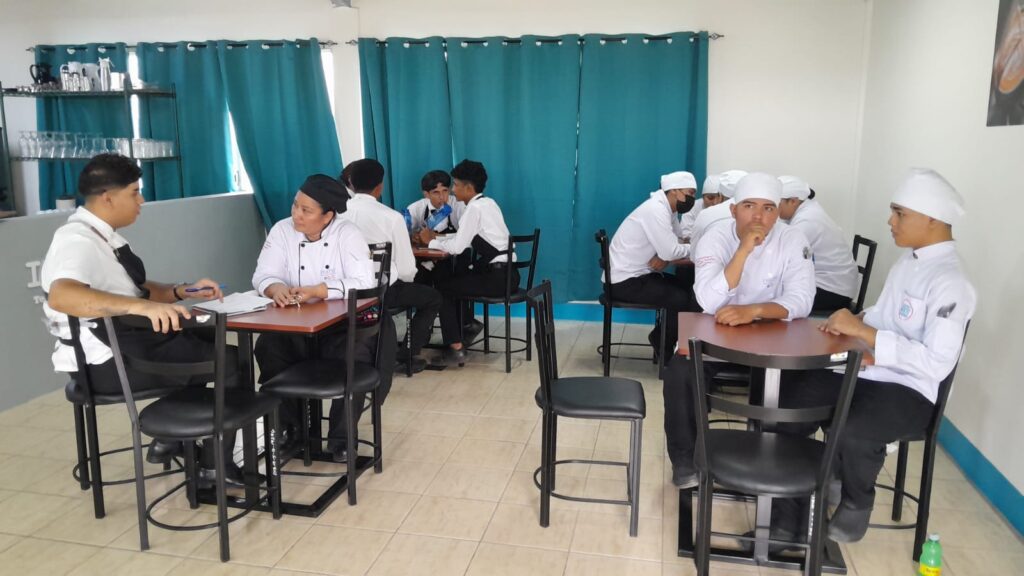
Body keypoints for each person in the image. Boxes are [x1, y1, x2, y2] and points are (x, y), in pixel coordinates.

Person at [775, 168, 975, 544]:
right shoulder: (908, 262)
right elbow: (883, 316)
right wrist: (855, 320)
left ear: (932, 219)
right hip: (870, 371)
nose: (890, 221)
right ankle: (790, 515)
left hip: (912, 391)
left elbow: (937, 363)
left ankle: (856, 501)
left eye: (900, 213)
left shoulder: (952, 282)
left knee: (854, 428)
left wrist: (866, 333)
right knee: (791, 402)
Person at [41, 153, 238, 483]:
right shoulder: (75, 240)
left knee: (205, 337)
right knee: (228, 360)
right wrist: (144, 308)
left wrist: (181, 291)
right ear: (107, 197)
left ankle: (171, 438)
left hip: (123, 345)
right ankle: (214, 466)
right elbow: (63, 295)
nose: (141, 200)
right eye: (134, 192)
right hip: (104, 366)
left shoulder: (101, 236)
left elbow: (135, 291)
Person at [662, 172, 816, 487]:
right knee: (680, 374)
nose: (758, 216)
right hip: (719, 335)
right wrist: (743, 251)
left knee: (806, 385)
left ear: (777, 212)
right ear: (733, 210)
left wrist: (754, 311)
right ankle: (686, 461)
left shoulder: (793, 239)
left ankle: (781, 465)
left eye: (768, 208)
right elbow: (707, 300)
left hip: (774, 337)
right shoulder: (716, 238)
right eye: (749, 206)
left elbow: (802, 300)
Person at [251, 174, 384, 462]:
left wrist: (319, 291)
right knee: (267, 347)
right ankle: (292, 430)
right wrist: (276, 288)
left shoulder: (347, 234)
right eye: (295, 205)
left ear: (328, 216)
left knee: (354, 356)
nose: (296, 214)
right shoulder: (281, 230)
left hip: (340, 326)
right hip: (295, 325)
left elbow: (364, 281)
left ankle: (342, 438)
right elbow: (263, 274)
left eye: (306, 210)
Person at [341, 159, 442, 373]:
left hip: (343, 292)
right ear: (380, 187)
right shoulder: (391, 217)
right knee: (433, 298)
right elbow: (406, 270)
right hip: (383, 293)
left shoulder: (336, 214)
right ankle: (406, 355)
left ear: (351, 183)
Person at [415, 159, 514, 366]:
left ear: (468, 188)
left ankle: (456, 347)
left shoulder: (473, 209)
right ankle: (466, 325)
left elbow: (457, 247)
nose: (452, 190)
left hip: (496, 278)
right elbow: (463, 239)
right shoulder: (489, 203)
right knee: (455, 280)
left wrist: (429, 241)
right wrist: (437, 239)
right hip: (509, 275)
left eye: (456, 185)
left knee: (442, 289)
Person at [607, 171, 699, 356]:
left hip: (642, 274)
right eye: (690, 193)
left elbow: (677, 241)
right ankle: (663, 345)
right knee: (680, 299)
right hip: (625, 282)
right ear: (674, 191)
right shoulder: (656, 210)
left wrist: (671, 253)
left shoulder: (669, 210)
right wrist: (697, 247)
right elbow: (671, 250)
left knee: (690, 290)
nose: (692, 199)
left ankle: (668, 341)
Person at [777, 175, 860, 313]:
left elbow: (783, 256)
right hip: (833, 283)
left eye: (776, 203)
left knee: (773, 295)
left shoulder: (807, 220)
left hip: (832, 291)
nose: (774, 209)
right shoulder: (806, 209)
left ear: (793, 201)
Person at [687, 169, 748, 250]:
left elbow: (695, 252)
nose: (715, 202)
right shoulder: (759, 214)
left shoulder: (705, 215)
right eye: (710, 197)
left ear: (720, 196)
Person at [407, 170, 465, 235]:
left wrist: (436, 237)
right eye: (436, 192)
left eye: (445, 190)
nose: (442, 197)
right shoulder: (415, 208)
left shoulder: (459, 205)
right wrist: (414, 236)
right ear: (426, 194)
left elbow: (466, 235)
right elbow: (403, 231)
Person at [674, 173, 724, 241]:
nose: (715, 202)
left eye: (719, 198)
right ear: (703, 197)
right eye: (710, 198)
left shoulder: (726, 208)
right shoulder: (692, 208)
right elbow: (685, 234)